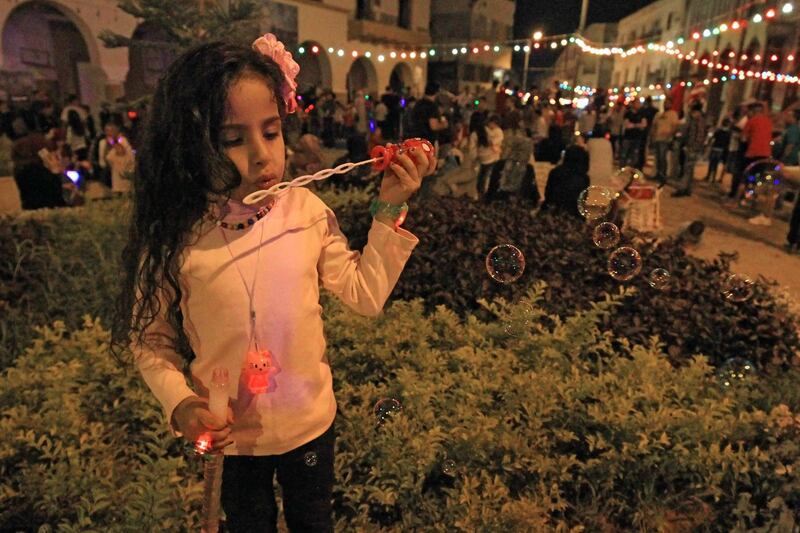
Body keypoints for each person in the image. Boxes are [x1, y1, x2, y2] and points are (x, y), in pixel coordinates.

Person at [111, 36, 435, 533]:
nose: (263, 157)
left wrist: (389, 208)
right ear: (189, 145)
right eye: (232, 138)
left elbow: (365, 296)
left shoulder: (305, 212)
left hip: (310, 427)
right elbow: (149, 338)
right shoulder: (176, 234)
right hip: (234, 440)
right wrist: (183, 404)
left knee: (314, 522)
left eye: (271, 131)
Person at [730, 102, 773, 199]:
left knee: (743, 175)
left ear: (752, 111)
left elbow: (743, 138)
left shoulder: (751, 121)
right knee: (756, 178)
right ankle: (750, 198)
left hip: (752, 153)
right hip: (765, 155)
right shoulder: (768, 122)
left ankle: (736, 198)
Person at [542, 145, 590, 218]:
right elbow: (582, 203)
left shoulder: (555, 172)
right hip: (574, 216)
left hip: (553, 213)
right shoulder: (584, 178)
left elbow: (548, 194)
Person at [673, 103, 706, 197]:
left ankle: (682, 188)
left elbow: (699, 136)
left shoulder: (698, 122)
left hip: (692, 148)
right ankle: (688, 189)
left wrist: (692, 147)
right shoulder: (695, 120)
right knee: (690, 170)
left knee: (687, 169)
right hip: (691, 147)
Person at [469, 113, 503, 198]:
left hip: (482, 159)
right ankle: (488, 196)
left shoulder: (474, 134)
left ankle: (481, 195)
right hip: (493, 157)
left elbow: (472, 150)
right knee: (489, 178)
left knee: (481, 179)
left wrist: (473, 160)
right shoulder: (490, 131)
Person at [98, 118, 134, 193]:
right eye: (106, 131)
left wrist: (112, 143)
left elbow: (121, 151)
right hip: (113, 174)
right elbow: (105, 159)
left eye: (110, 131)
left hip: (123, 174)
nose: (108, 133)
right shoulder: (103, 142)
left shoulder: (121, 140)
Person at [650, 99, 680, 185]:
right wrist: (653, 136)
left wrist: (670, 136)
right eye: (665, 103)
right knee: (658, 158)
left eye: (668, 103)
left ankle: (663, 175)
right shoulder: (659, 115)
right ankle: (658, 173)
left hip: (665, 140)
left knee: (663, 158)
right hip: (657, 138)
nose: (666, 105)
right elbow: (654, 126)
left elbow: (675, 126)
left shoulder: (673, 114)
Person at [620, 99, 647, 168]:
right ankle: (622, 168)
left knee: (635, 155)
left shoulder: (642, 114)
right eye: (637, 103)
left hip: (637, 137)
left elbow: (644, 125)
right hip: (628, 137)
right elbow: (627, 125)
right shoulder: (628, 113)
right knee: (624, 154)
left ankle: (633, 170)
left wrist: (634, 125)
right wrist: (638, 125)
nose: (638, 105)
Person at [586, 125, 614, 189]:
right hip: (606, 172)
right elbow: (611, 158)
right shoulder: (608, 143)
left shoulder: (590, 142)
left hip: (592, 172)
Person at [706, 118, 732, 183]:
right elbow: (727, 143)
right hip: (720, 150)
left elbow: (713, 138)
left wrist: (709, 144)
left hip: (715, 148)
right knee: (715, 164)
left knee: (712, 163)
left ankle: (709, 176)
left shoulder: (718, 131)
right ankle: (713, 178)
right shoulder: (728, 133)